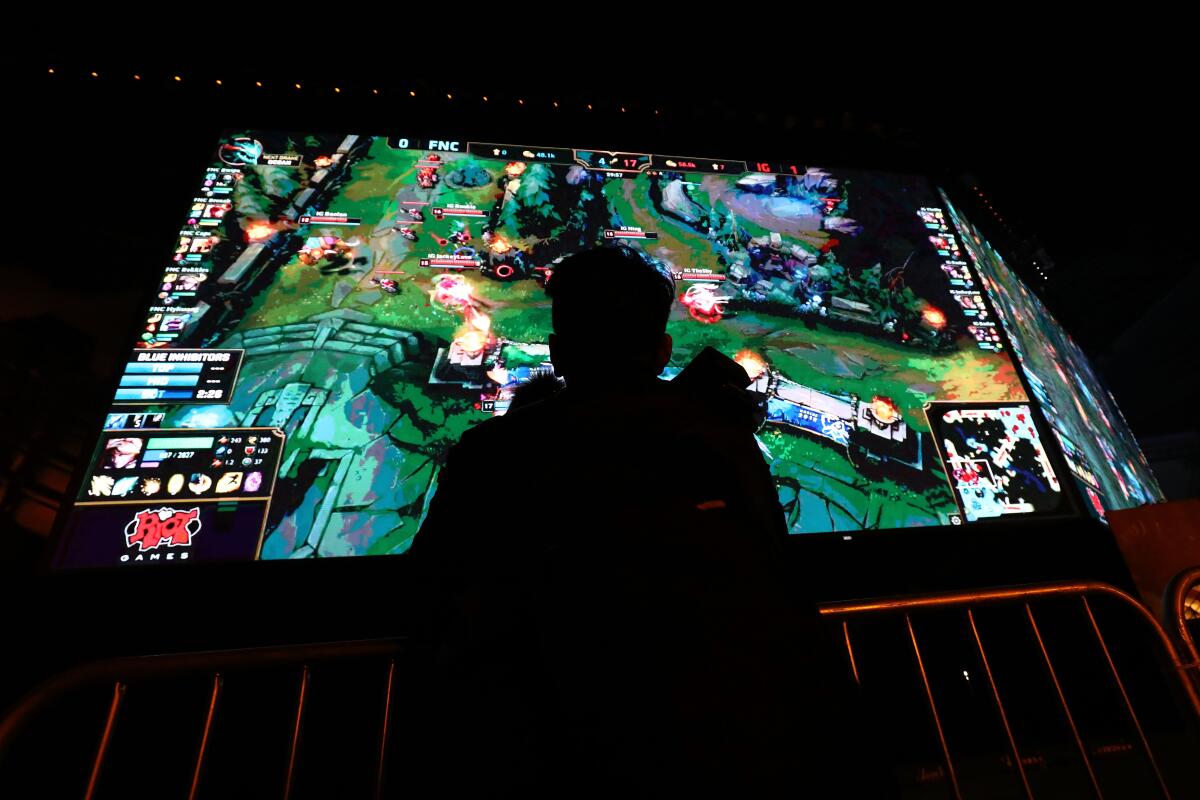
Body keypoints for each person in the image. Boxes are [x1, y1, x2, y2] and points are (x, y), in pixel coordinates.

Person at [407, 246, 878, 797]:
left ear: (558, 353)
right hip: (727, 739)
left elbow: (429, 590)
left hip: (553, 744)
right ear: (662, 351)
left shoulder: (492, 456)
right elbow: (773, 570)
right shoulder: (720, 441)